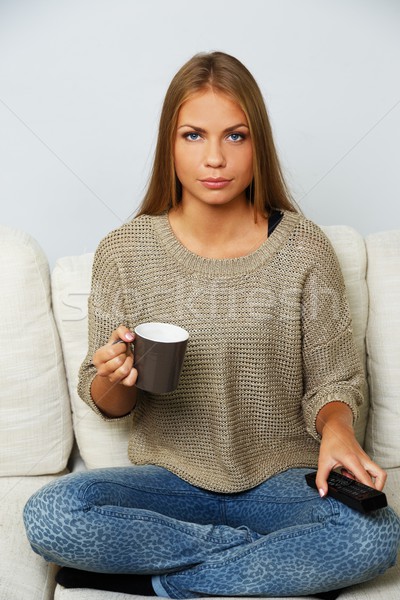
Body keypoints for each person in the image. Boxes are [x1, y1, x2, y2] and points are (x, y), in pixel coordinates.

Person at [23, 51, 400, 599]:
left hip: (282, 480)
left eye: (236, 136)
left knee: (375, 536)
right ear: (169, 146)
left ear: (257, 145)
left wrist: (338, 430)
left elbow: (334, 382)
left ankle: (164, 581)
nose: (216, 158)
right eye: (195, 136)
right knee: (52, 514)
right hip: (169, 482)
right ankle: (258, 564)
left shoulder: (304, 249)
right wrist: (112, 376)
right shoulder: (124, 252)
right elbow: (107, 402)